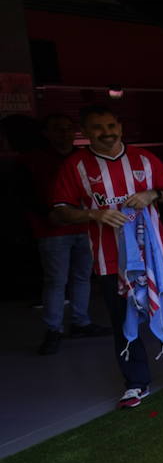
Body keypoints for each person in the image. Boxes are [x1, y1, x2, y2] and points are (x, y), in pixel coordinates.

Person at [49, 105, 163, 409]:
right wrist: (92, 213)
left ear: (120, 126)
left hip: (157, 258)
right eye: (97, 127)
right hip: (110, 261)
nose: (106, 132)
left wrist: (153, 194)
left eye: (111, 125)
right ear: (86, 131)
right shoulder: (76, 165)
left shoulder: (144, 159)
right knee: (123, 319)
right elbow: (58, 212)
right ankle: (135, 383)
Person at [21, 113, 108, 354]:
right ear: (46, 133)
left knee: (82, 277)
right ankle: (54, 329)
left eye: (69, 129)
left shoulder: (85, 158)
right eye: (58, 129)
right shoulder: (33, 160)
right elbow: (25, 195)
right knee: (56, 280)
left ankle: (81, 322)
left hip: (86, 225)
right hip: (53, 230)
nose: (65, 133)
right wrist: (47, 214)